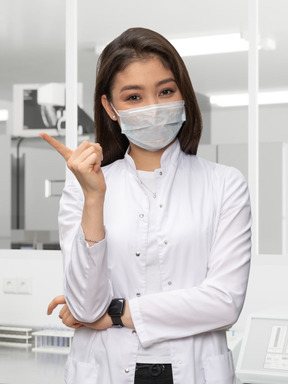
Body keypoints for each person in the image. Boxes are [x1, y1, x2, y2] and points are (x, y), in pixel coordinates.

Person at [42, 27, 251, 384]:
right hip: (105, 369)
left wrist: (118, 313)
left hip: (195, 370)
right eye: (134, 97)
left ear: (183, 95)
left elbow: (223, 303)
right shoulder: (83, 191)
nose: (153, 108)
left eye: (165, 91)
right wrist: (94, 197)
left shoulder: (224, 184)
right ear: (110, 107)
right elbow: (85, 307)